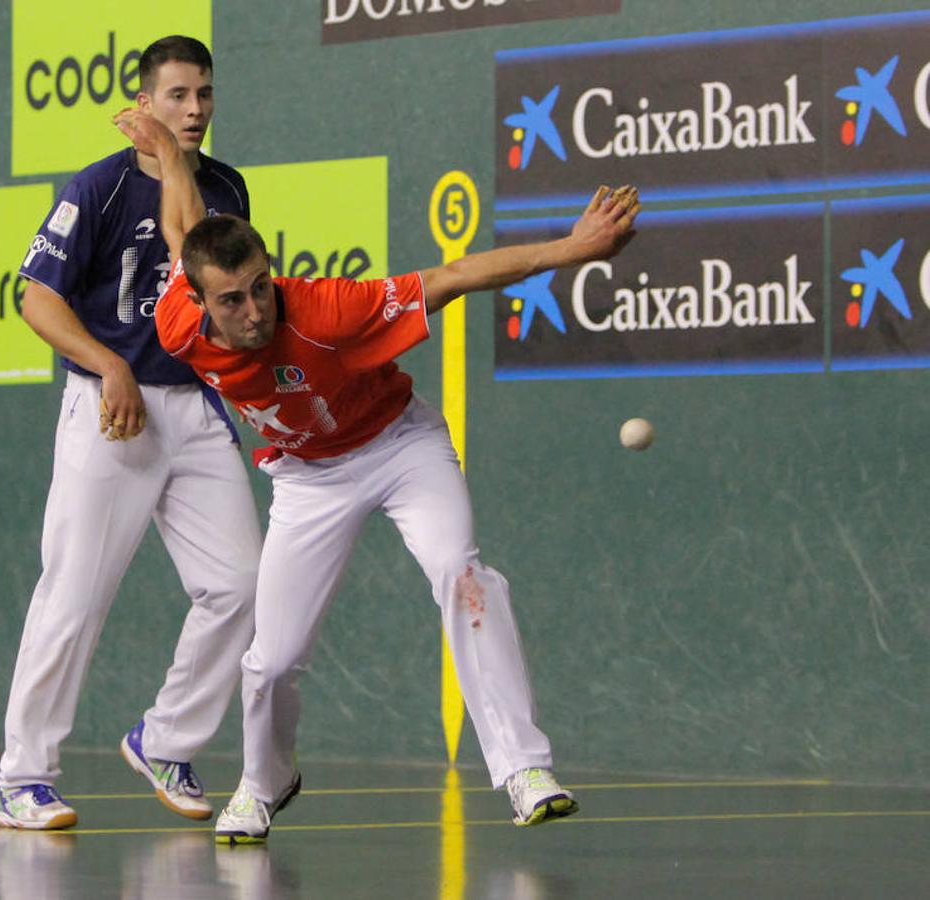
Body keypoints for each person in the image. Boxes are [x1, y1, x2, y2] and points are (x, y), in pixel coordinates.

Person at [120, 110, 639, 843]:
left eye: (261, 287)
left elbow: (453, 275)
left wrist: (574, 247)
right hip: (306, 479)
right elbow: (185, 228)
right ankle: (264, 783)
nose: (254, 310)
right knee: (269, 662)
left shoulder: (327, 309)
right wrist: (172, 154)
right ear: (200, 303)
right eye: (231, 300)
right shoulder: (178, 321)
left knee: (461, 573)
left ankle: (524, 768)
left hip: (400, 447)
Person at [0, 36, 262, 831]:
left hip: (193, 409)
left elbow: (194, 262)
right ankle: (24, 775)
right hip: (110, 411)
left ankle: (166, 736)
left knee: (245, 587)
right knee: (73, 594)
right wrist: (107, 363)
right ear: (143, 103)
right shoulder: (99, 189)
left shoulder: (223, 187)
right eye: (177, 95)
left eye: (204, 94)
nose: (194, 109)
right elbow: (37, 297)